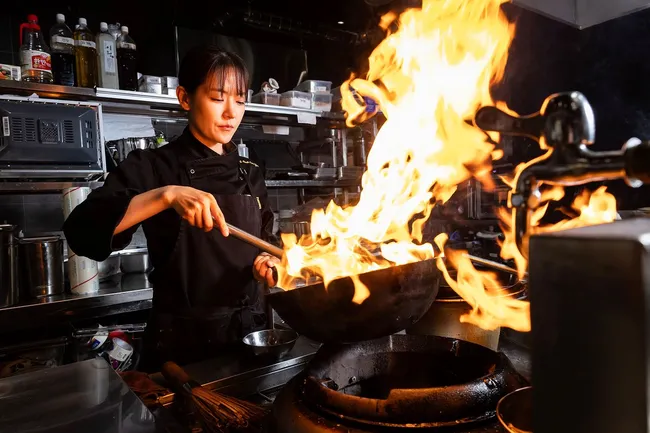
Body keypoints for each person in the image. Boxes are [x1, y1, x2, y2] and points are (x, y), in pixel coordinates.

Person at [63, 45, 280, 370]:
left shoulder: (250, 172)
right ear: (185, 98)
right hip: (184, 350)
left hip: (251, 339)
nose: (231, 113)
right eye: (218, 98)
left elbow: (268, 241)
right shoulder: (154, 167)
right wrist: (165, 196)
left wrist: (268, 262)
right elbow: (81, 232)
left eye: (240, 100)